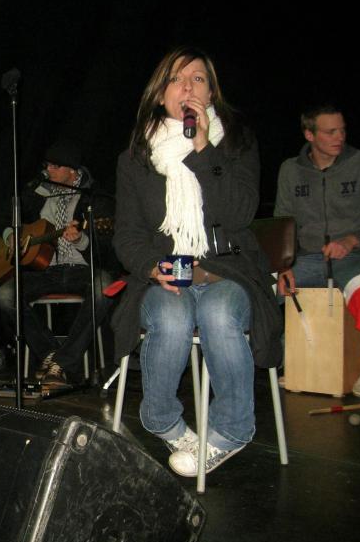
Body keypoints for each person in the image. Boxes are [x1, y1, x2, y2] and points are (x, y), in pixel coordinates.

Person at [112, 47, 282, 477]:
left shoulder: (236, 143)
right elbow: (128, 235)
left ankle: (231, 432)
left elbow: (240, 214)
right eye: (176, 78)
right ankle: (164, 422)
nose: (187, 87)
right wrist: (152, 267)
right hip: (168, 274)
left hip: (229, 271)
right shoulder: (134, 158)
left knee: (219, 312)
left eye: (199, 79)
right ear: (160, 93)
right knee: (170, 317)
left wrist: (203, 148)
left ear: (211, 94)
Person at [0, 139, 116, 386]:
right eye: (47, 165)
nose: (48, 170)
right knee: (5, 294)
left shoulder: (93, 198)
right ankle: (53, 354)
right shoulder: (37, 193)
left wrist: (81, 240)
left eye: (55, 166)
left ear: (72, 170)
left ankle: (61, 361)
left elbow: (107, 249)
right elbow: (5, 217)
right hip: (46, 271)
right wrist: (11, 237)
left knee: (105, 286)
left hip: (81, 270)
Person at [274, 105, 360, 397]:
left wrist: (351, 241)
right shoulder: (291, 169)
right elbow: (282, 222)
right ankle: (283, 358)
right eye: (330, 132)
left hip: (353, 256)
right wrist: (283, 265)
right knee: (259, 290)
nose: (339, 137)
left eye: (342, 130)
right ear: (309, 135)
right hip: (305, 258)